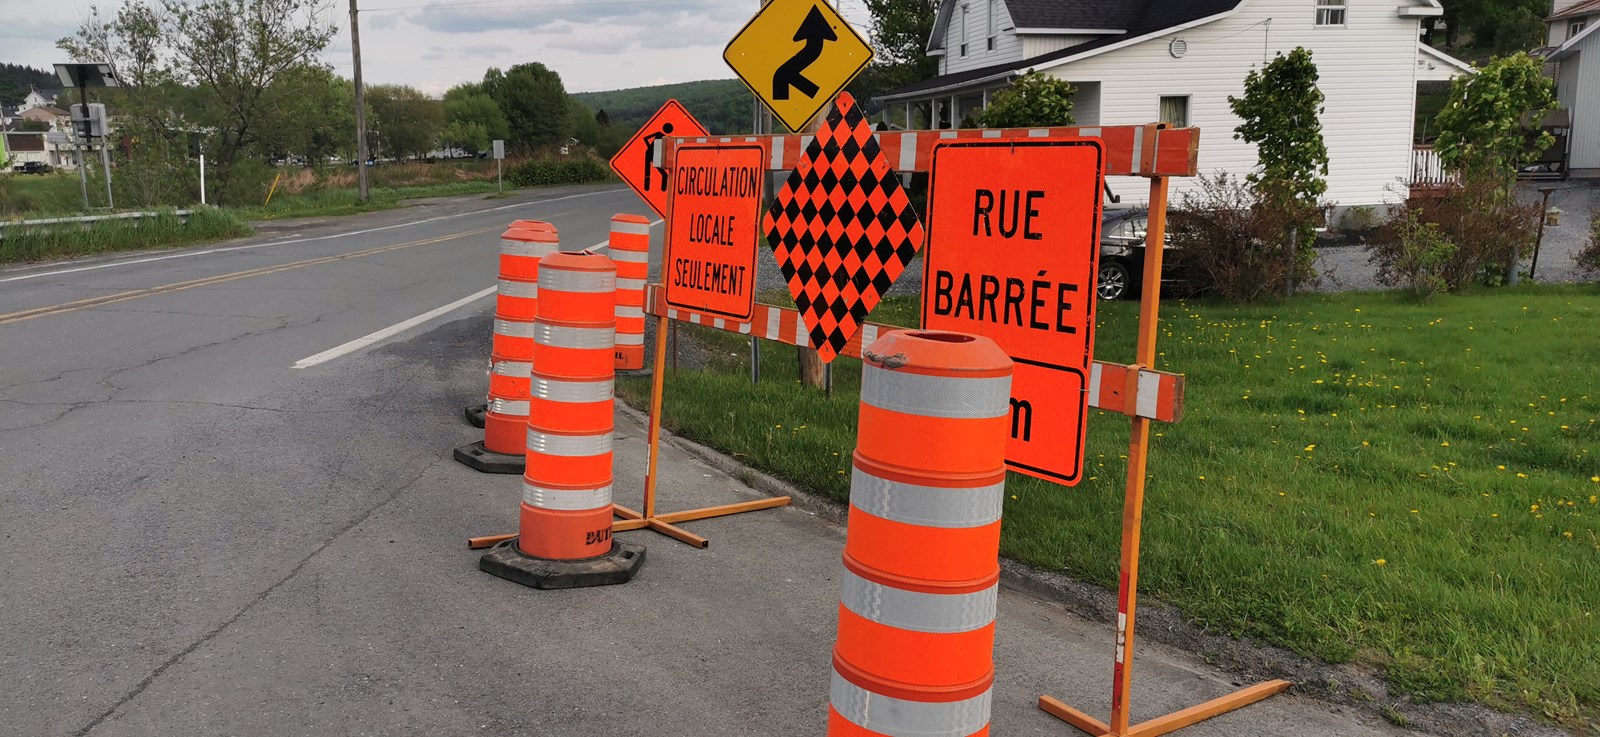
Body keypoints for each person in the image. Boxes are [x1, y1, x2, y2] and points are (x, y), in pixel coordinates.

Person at [642, 122, 674, 191]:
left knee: (664, 174)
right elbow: (645, 138)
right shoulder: (659, 134)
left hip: (655, 155)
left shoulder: (665, 137)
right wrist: (649, 147)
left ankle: (662, 189)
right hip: (648, 154)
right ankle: (647, 188)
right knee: (647, 172)